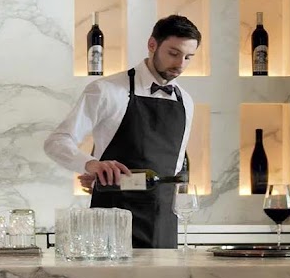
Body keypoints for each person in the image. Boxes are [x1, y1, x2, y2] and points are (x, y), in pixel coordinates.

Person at [44, 15, 200, 248]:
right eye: (173, 53)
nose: (180, 64)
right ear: (152, 45)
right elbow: (56, 141)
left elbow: (173, 168)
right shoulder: (106, 90)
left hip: (163, 221)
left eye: (188, 57)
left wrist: (117, 179)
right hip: (112, 222)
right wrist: (92, 165)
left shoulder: (185, 100)